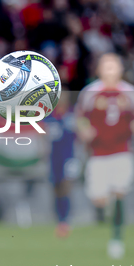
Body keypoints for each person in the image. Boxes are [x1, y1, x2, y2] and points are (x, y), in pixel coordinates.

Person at [76, 54, 134, 258]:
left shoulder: (131, 93)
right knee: (100, 200)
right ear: (98, 69)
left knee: (119, 192)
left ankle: (116, 238)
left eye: (114, 66)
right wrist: (84, 131)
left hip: (122, 151)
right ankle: (107, 213)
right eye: (106, 66)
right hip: (98, 153)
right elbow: (80, 118)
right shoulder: (89, 93)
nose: (110, 70)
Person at [45, 90, 77, 238]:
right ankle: (59, 219)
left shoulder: (72, 115)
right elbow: (43, 135)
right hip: (54, 158)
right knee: (56, 188)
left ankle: (65, 220)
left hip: (69, 157)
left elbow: (80, 134)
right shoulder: (50, 117)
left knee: (66, 186)